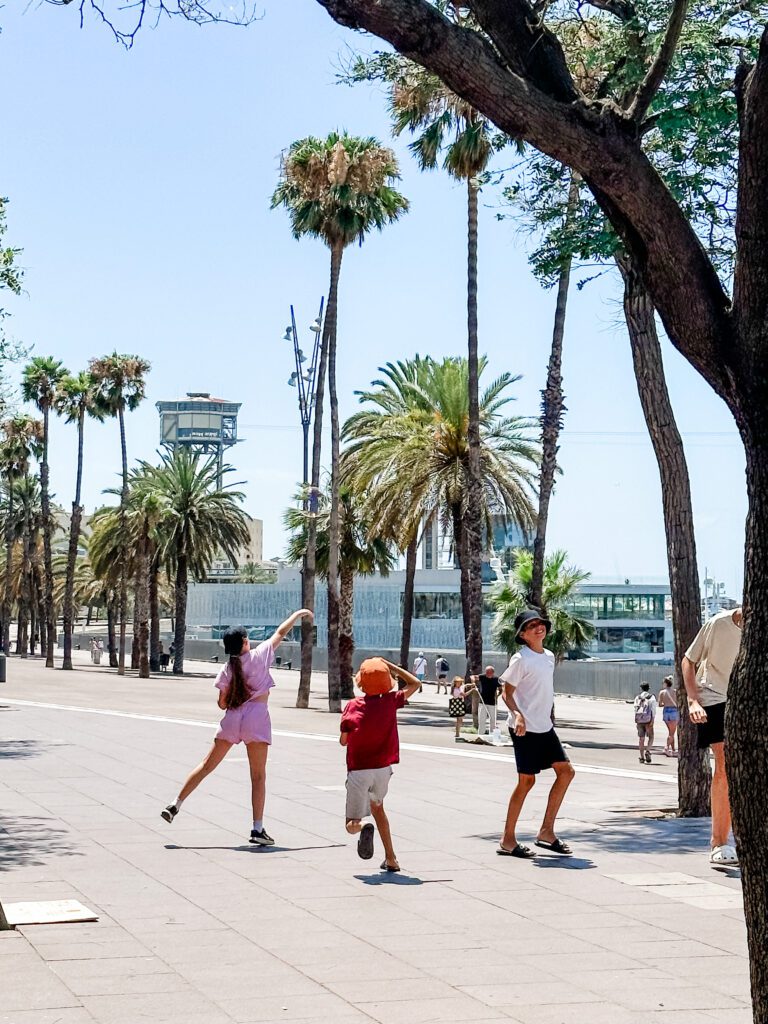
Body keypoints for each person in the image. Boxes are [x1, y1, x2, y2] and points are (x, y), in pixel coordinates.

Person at [160, 609, 313, 845]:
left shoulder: (228, 668)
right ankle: (257, 829)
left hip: (232, 718)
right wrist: (299, 614)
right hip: (257, 718)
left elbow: (222, 703)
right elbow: (281, 632)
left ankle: (175, 803)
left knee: (206, 765)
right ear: (245, 642)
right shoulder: (261, 654)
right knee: (258, 777)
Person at [498, 609, 575, 859]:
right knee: (526, 782)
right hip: (525, 728)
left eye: (539, 624)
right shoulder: (520, 659)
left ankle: (546, 832)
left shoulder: (549, 656)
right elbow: (506, 693)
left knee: (566, 772)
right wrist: (517, 715)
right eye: (531, 626)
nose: (537, 628)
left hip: (544, 726)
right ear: (522, 634)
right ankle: (508, 839)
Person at [340, 657, 421, 872]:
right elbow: (415, 684)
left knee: (351, 823)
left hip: (359, 770)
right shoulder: (390, 701)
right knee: (379, 809)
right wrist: (390, 666)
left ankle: (363, 826)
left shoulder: (352, 705)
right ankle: (391, 858)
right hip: (383, 771)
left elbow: (343, 741)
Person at [682, 607, 743, 869]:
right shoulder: (719, 623)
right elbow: (689, 660)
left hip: (747, 698)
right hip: (715, 696)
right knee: (725, 764)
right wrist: (693, 700)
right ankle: (719, 841)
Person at [473, 665, 502, 737]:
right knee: (482, 719)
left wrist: (498, 695)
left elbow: (501, 688)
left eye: (489, 672)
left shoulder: (496, 679)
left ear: (493, 672)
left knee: (493, 720)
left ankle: (492, 735)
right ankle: (480, 735)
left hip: (492, 703)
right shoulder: (482, 677)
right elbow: (473, 677)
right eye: (486, 672)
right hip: (482, 702)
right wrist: (473, 682)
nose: (487, 673)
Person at [633, 682, 657, 764]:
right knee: (651, 736)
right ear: (648, 688)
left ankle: (641, 757)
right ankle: (648, 750)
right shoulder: (651, 697)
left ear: (641, 688)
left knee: (641, 738)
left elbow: (635, 708)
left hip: (639, 720)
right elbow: (653, 710)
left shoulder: (637, 697)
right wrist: (652, 720)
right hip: (648, 719)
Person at [449, 674, 474, 741]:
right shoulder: (456, 690)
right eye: (458, 682)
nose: (459, 683)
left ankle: (458, 732)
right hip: (457, 703)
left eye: (460, 682)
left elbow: (465, 685)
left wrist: (471, 685)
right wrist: (472, 690)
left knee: (460, 719)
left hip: (461, 703)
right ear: (455, 683)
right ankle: (457, 733)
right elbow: (465, 695)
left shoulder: (461, 687)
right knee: (459, 719)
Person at [658, 675, 679, 757]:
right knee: (672, 732)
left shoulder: (662, 692)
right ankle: (666, 747)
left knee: (671, 732)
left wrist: (665, 703)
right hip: (674, 711)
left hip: (666, 711)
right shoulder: (675, 692)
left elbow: (660, 704)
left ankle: (673, 750)